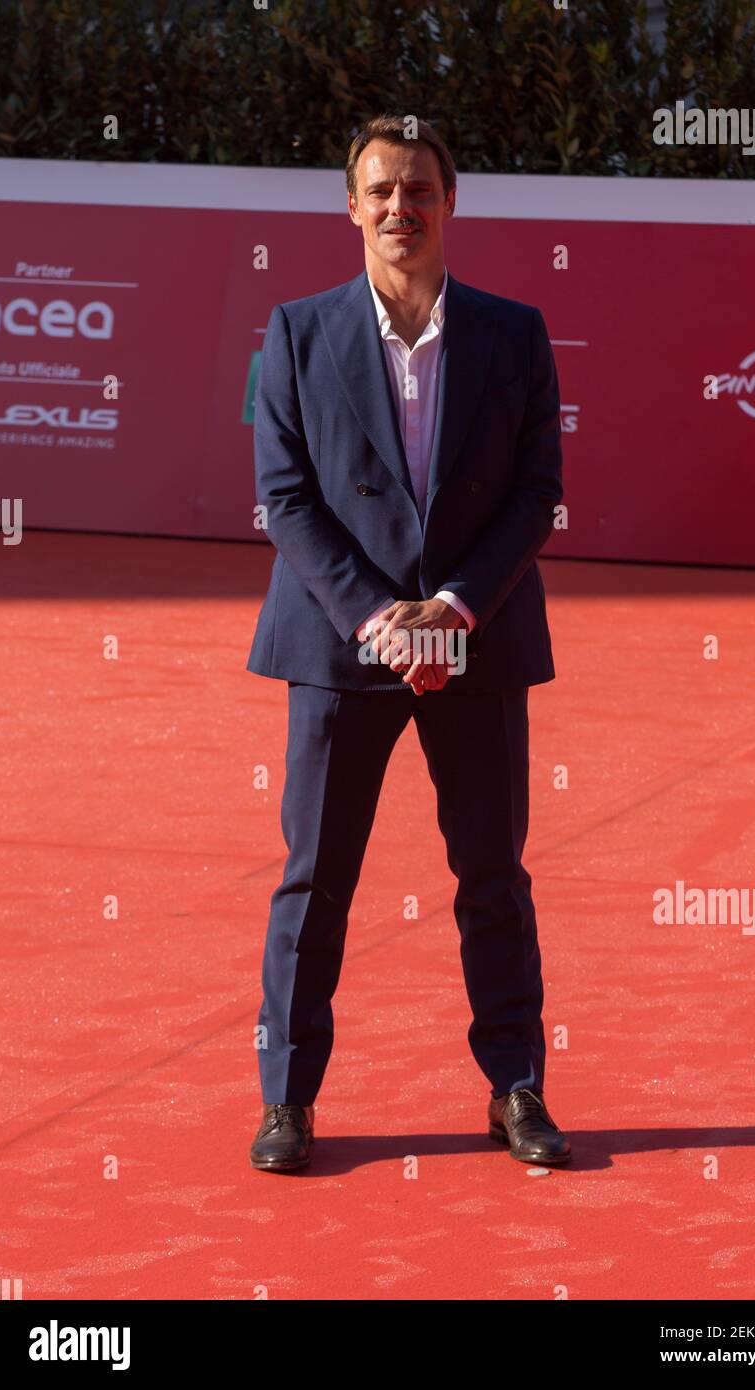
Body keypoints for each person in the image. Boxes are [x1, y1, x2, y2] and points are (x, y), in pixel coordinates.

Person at [246, 113, 570, 1172]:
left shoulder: (515, 333)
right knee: (314, 880)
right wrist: (381, 620)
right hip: (342, 647)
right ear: (351, 207)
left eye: (418, 189)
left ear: (449, 203)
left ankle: (513, 1087)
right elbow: (285, 498)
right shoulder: (294, 333)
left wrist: (453, 609)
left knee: (492, 875)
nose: (399, 207)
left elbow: (535, 495)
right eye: (379, 190)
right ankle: (287, 1102)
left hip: (473, 639)